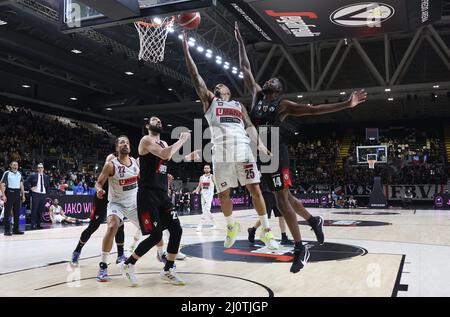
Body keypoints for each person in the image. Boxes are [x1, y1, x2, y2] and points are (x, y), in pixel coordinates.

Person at [235, 23, 367, 272]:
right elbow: (245, 67)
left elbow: (314, 110)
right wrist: (240, 40)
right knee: (281, 197)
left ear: (278, 89)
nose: (267, 79)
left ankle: (299, 247)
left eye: (272, 80)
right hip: (259, 153)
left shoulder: (284, 105)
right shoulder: (255, 95)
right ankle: (313, 219)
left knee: (282, 201)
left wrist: (345, 104)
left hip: (276, 152)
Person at [182, 32, 279, 250]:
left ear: (228, 91)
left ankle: (266, 230)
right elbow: (195, 75)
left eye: (222, 86)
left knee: (255, 190)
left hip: (243, 151)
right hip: (221, 155)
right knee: (223, 194)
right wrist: (186, 52)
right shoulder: (209, 101)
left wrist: (260, 144)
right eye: (215, 86)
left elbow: (249, 126)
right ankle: (231, 226)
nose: (218, 87)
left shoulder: (238, 106)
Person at [119, 117, 192, 286]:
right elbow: (166, 154)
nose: (157, 122)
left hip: (162, 194)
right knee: (156, 235)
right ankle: (128, 264)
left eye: (160, 121)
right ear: (147, 126)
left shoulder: (164, 143)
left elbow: (167, 157)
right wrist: (182, 140)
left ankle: (168, 269)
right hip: (147, 194)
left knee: (177, 230)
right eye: (154, 120)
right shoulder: (146, 140)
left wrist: (186, 157)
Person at [95, 136, 140, 282]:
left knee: (154, 230)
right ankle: (103, 265)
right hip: (117, 204)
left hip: (133, 204)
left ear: (130, 147)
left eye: (127, 142)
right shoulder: (110, 165)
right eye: (122, 142)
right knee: (112, 226)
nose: (125, 144)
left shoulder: (135, 163)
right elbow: (98, 183)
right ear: (117, 148)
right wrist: (99, 190)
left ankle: (162, 254)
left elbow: (143, 179)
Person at [70, 154, 126, 266]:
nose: (111, 163)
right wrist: (99, 190)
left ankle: (120, 255)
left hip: (114, 201)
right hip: (101, 200)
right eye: (109, 161)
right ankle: (77, 251)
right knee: (93, 226)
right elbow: (97, 184)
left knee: (119, 225)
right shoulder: (105, 172)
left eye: (113, 161)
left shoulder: (119, 172)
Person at [248, 176, 293, 245]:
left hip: (276, 193)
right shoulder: (265, 168)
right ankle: (253, 230)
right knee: (265, 217)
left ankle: (284, 237)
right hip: (267, 194)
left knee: (281, 215)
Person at [0, 161, 25, 236]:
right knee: (7, 212)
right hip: (9, 192)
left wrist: (23, 195)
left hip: (17, 193)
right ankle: (7, 230)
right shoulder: (7, 173)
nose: (15, 166)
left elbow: (21, 184)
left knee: (17, 212)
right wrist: (3, 195)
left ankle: (16, 230)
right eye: (14, 165)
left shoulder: (19, 173)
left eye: (16, 165)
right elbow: (2, 184)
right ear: (10, 166)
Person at [25, 163, 50, 230]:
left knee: (40, 210)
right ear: (37, 169)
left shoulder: (46, 177)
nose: (40, 169)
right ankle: (33, 225)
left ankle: (39, 224)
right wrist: (30, 188)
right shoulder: (33, 175)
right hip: (35, 194)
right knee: (34, 210)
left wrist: (46, 194)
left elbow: (48, 186)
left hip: (43, 195)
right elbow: (26, 182)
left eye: (41, 167)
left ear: (43, 169)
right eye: (39, 167)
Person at [193, 164, 218, 232]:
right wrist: (196, 190)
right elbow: (199, 186)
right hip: (203, 195)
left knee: (206, 210)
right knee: (206, 211)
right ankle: (215, 224)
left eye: (207, 168)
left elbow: (217, 184)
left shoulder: (212, 176)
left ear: (210, 169)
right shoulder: (201, 177)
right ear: (204, 169)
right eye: (205, 168)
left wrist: (219, 191)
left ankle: (200, 226)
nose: (206, 169)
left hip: (209, 196)